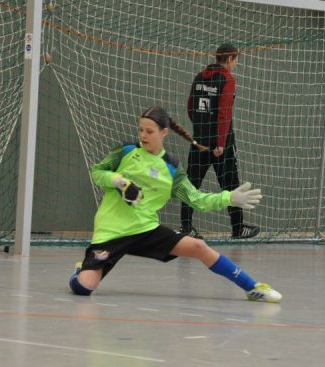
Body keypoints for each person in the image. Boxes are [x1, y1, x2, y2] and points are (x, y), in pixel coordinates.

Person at [69, 106, 282, 302]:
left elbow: (196, 200)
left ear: (164, 133)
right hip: (111, 231)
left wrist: (229, 198)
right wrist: (117, 180)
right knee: (84, 288)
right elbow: (97, 172)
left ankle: (252, 287)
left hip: (145, 228)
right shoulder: (126, 151)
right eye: (141, 130)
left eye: (149, 131)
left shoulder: (171, 169)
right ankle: (82, 270)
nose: (143, 135)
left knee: (199, 246)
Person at [180, 43, 259, 240]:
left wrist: (201, 127)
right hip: (220, 145)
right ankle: (238, 228)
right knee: (231, 185)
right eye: (236, 59)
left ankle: (186, 227)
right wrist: (221, 144)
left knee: (191, 184)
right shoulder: (227, 79)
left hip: (199, 140)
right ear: (230, 59)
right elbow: (224, 114)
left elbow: (191, 108)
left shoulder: (199, 77)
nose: (236, 63)